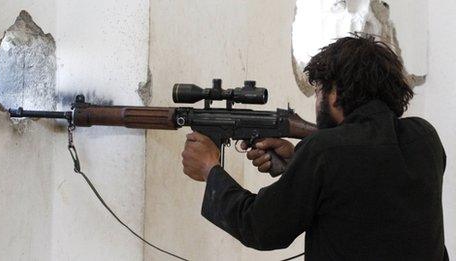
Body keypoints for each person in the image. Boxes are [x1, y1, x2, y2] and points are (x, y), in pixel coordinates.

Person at [181, 34, 448, 260]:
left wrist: (210, 169)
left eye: (319, 89)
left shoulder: (324, 151)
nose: (317, 99)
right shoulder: (425, 138)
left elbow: (259, 227)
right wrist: (297, 161)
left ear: (335, 94)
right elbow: (369, 183)